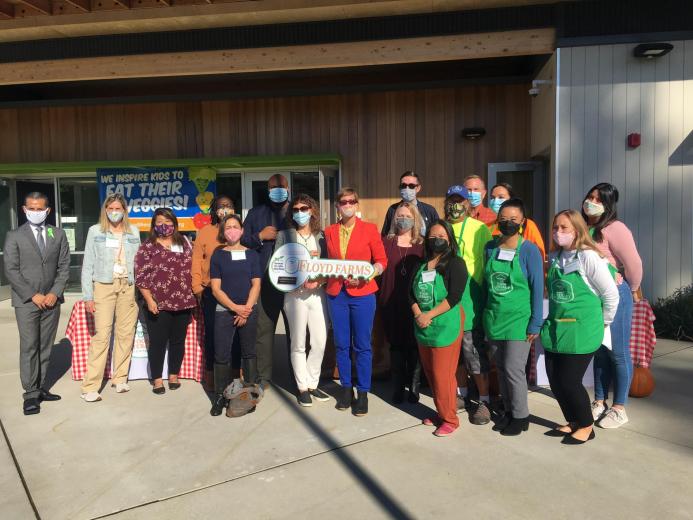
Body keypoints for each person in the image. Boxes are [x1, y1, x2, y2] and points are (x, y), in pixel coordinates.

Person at [541, 209, 619, 444]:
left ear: (577, 230)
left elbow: (610, 295)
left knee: (569, 380)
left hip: (582, 329)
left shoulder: (588, 256)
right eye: (555, 227)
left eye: (564, 228)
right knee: (555, 380)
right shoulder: (555, 257)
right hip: (557, 326)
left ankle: (586, 425)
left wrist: (603, 321)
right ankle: (573, 420)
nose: (558, 232)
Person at [581, 183, 643, 429]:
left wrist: (631, 287)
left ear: (608, 205)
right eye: (590, 196)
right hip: (592, 297)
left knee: (618, 351)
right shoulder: (586, 228)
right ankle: (599, 400)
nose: (592, 201)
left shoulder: (615, 228)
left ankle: (619, 407)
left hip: (616, 294)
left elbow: (633, 263)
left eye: (598, 198)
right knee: (600, 350)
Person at [3, 192, 70, 415]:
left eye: (39, 209)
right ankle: (30, 394)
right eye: (31, 208)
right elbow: (11, 270)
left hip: (52, 300)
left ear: (47, 210)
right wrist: (33, 295)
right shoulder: (14, 235)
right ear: (24, 209)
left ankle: (41, 388)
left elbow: (63, 267)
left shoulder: (57, 234)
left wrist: (54, 292)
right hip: (27, 302)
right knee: (30, 346)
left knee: (45, 347)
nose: (35, 212)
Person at [483, 199, 544, 436]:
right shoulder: (490, 247)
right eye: (504, 219)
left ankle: (521, 416)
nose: (507, 223)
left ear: (522, 222)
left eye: (513, 220)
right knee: (500, 367)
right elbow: (487, 284)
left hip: (519, 319)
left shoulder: (529, 250)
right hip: (495, 317)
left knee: (513, 369)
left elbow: (537, 288)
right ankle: (508, 411)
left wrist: (536, 321)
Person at [325, 188, 387, 416]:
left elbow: (381, 261)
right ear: (337, 206)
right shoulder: (330, 231)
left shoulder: (369, 229)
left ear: (357, 205)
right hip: (336, 293)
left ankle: (363, 393)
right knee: (341, 344)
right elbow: (325, 262)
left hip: (363, 293)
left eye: (352, 201)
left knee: (362, 345)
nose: (348, 205)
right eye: (343, 202)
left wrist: (367, 274)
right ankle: (346, 389)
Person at [80, 194, 141, 402]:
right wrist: (88, 295)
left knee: (125, 333)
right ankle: (90, 385)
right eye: (111, 208)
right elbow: (88, 264)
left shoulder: (133, 232)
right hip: (103, 286)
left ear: (124, 210)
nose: (115, 211)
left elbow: (139, 263)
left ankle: (120, 377)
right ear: (105, 210)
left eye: (118, 208)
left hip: (128, 286)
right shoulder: (95, 231)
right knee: (102, 335)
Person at [410, 220, 468, 437]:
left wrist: (429, 315)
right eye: (433, 236)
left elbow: (454, 296)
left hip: (445, 326)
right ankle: (440, 412)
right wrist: (419, 315)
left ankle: (450, 419)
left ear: (450, 239)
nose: (438, 240)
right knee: (431, 374)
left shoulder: (455, 264)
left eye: (442, 236)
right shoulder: (421, 265)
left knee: (443, 375)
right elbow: (410, 294)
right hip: (424, 326)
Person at [444, 185, 493, 425]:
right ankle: (462, 394)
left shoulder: (480, 228)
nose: (456, 205)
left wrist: (482, 293)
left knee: (473, 350)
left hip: (471, 295)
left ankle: (484, 400)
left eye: (460, 201)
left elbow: (486, 262)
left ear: (468, 204)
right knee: (456, 353)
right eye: (451, 200)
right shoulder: (442, 228)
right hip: (446, 295)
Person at [275, 194, 331, 407]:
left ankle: (312, 382)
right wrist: (292, 283)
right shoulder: (285, 235)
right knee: (298, 342)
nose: (300, 212)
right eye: (296, 209)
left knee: (319, 341)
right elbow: (276, 267)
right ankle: (302, 387)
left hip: (317, 294)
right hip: (294, 296)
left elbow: (328, 265)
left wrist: (319, 281)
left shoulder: (322, 236)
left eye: (304, 208)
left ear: (313, 211)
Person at [135, 208, 196, 394]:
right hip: (157, 303)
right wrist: (149, 299)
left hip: (184, 301)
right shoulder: (147, 247)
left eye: (168, 222)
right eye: (160, 221)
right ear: (154, 225)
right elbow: (141, 276)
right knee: (158, 342)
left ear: (175, 224)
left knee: (178, 341)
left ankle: (174, 375)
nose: (165, 225)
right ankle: (157, 379)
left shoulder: (184, 242)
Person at [209, 214, 262, 416]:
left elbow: (256, 284)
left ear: (241, 230)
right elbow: (216, 288)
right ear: (223, 232)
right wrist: (235, 308)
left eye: (235, 226)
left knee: (249, 353)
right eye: (228, 227)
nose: (232, 230)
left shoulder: (252, 255)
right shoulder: (218, 255)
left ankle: (248, 397)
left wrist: (245, 309)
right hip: (225, 310)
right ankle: (219, 397)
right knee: (221, 355)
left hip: (249, 309)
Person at [241, 174, 290, 389]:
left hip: (291, 282)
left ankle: (299, 376)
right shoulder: (255, 213)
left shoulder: (297, 212)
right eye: (273, 187)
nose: (278, 189)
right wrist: (260, 236)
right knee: (264, 330)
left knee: (296, 331)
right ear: (267, 189)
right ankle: (264, 375)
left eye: (282, 187)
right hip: (264, 281)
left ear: (288, 189)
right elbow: (242, 241)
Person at [379, 201, 425, 404]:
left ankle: (414, 386)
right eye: (399, 215)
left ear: (415, 219)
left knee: (414, 344)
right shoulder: (385, 242)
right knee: (396, 344)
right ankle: (398, 386)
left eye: (407, 215)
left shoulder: (422, 245)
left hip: (414, 303)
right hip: (390, 301)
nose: (403, 219)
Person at [192, 194, 235, 390]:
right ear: (214, 210)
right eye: (220, 206)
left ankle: (235, 374)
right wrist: (197, 287)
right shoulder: (205, 232)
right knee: (212, 334)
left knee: (236, 334)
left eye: (228, 206)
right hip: (210, 291)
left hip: (234, 290)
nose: (224, 209)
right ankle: (212, 376)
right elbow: (197, 261)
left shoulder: (235, 231)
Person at [487, 182, 546, 260]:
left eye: (501, 197)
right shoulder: (488, 226)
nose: (495, 201)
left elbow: (539, 255)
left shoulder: (528, 225)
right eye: (492, 198)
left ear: (511, 199)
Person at [381, 171, 439, 237]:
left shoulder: (429, 210)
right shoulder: (393, 209)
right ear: (400, 188)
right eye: (404, 185)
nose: (407, 188)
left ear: (418, 188)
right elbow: (385, 235)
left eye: (411, 186)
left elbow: (437, 233)